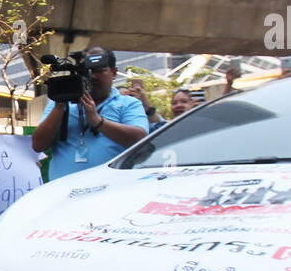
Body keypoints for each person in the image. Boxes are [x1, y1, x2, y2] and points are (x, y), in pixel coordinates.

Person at [31, 47, 147, 181]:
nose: (92, 76)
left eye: (99, 70)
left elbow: (141, 140)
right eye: (86, 71)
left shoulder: (128, 103)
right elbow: (38, 145)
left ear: (114, 73)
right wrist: (60, 106)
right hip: (64, 192)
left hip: (112, 191)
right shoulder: (58, 104)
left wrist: (98, 122)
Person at [126, 79, 195, 131]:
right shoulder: (169, 128)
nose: (178, 105)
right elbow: (157, 123)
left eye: (184, 101)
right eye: (174, 103)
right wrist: (144, 101)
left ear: (194, 103)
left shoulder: (202, 128)